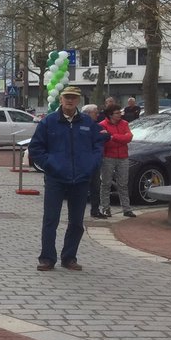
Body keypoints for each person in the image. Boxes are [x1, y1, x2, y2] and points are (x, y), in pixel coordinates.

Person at [29, 85, 108, 272]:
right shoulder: (48, 122)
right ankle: (47, 258)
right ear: (61, 99)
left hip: (80, 179)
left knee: (76, 221)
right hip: (55, 179)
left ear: (78, 100)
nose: (70, 100)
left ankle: (69, 257)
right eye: (67, 97)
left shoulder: (88, 123)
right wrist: (50, 164)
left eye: (73, 97)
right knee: (51, 219)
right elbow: (36, 148)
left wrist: (91, 164)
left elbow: (98, 145)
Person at [99, 105, 135, 218]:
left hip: (123, 157)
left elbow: (129, 138)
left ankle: (126, 209)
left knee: (123, 184)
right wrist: (121, 138)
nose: (120, 114)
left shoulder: (124, 123)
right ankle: (105, 208)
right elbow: (105, 142)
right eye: (117, 113)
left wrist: (113, 136)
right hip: (108, 157)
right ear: (110, 114)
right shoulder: (102, 125)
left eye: (120, 112)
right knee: (106, 183)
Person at [82, 104, 106, 218]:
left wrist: (105, 135)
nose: (98, 114)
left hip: (95, 162)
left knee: (96, 187)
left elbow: (101, 139)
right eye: (95, 113)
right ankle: (79, 212)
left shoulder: (97, 126)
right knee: (82, 188)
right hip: (83, 162)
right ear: (88, 113)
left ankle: (95, 210)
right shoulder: (81, 125)